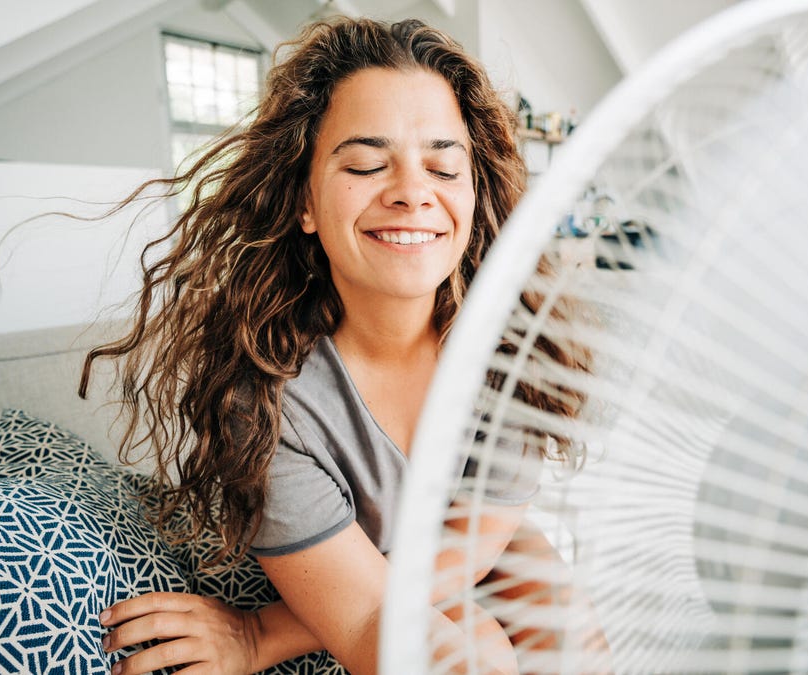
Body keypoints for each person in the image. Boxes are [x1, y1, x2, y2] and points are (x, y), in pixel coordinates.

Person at [79, 15, 596, 675]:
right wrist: (257, 630)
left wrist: (261, 636)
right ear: (305, 202)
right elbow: (368, 615)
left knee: (575, 645)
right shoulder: (267, 396)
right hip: (338, 567)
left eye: (442, 165)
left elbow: (467, 549)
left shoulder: (513, 352)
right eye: (366, 163)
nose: (412, 193)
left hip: (466, 537)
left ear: (475, 193)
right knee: (471, 655)